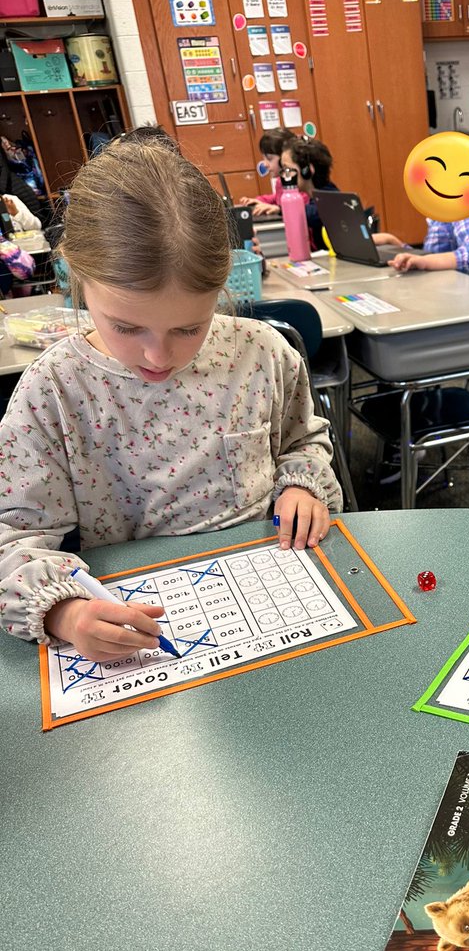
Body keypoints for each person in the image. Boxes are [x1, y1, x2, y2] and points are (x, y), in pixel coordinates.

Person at [0, 137, 342, 662]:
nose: (158, 356)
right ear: (76, 280)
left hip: (274, 594)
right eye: (126, 326)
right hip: (137, 622)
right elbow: (12, 540)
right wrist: (64, 613)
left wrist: (301, 485)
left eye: (189, 327)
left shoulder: (261, 354)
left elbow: (303, 439)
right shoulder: (53, 393)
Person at [385, 158, 469, 273]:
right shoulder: (443, 213)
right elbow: (430, 255)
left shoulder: (461, 212)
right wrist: (393, 242)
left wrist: (426, 262)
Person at [279, 136, 339, 251]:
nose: (284, 176)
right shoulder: (315, 196)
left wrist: (280, 209)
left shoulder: (330, 197)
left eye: (288, 169)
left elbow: (314, 213)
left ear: (307, 170)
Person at [239, 127, 296, 218]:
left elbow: (299, 206)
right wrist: (258, 201)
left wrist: (278, 208)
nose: (265, 164)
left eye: (269, 159)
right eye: (264, 158)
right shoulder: (280, 181)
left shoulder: (296, 183)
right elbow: (277, 198)